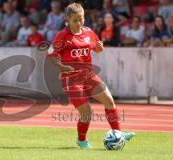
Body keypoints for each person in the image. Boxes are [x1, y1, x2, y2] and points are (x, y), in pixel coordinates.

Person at [46, 3, 135, 149]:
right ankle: (82, 140)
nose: (79, 23)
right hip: (71, 79)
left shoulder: (88, 32)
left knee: (109, 101)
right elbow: (50, 56)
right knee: (86, 113)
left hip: (88, 74)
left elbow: (97, 48)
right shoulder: (62, 36)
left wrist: (100, 48)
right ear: (67, 20)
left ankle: (118, 133)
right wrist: (62, 67)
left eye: (81, 19)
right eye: (75, 20)